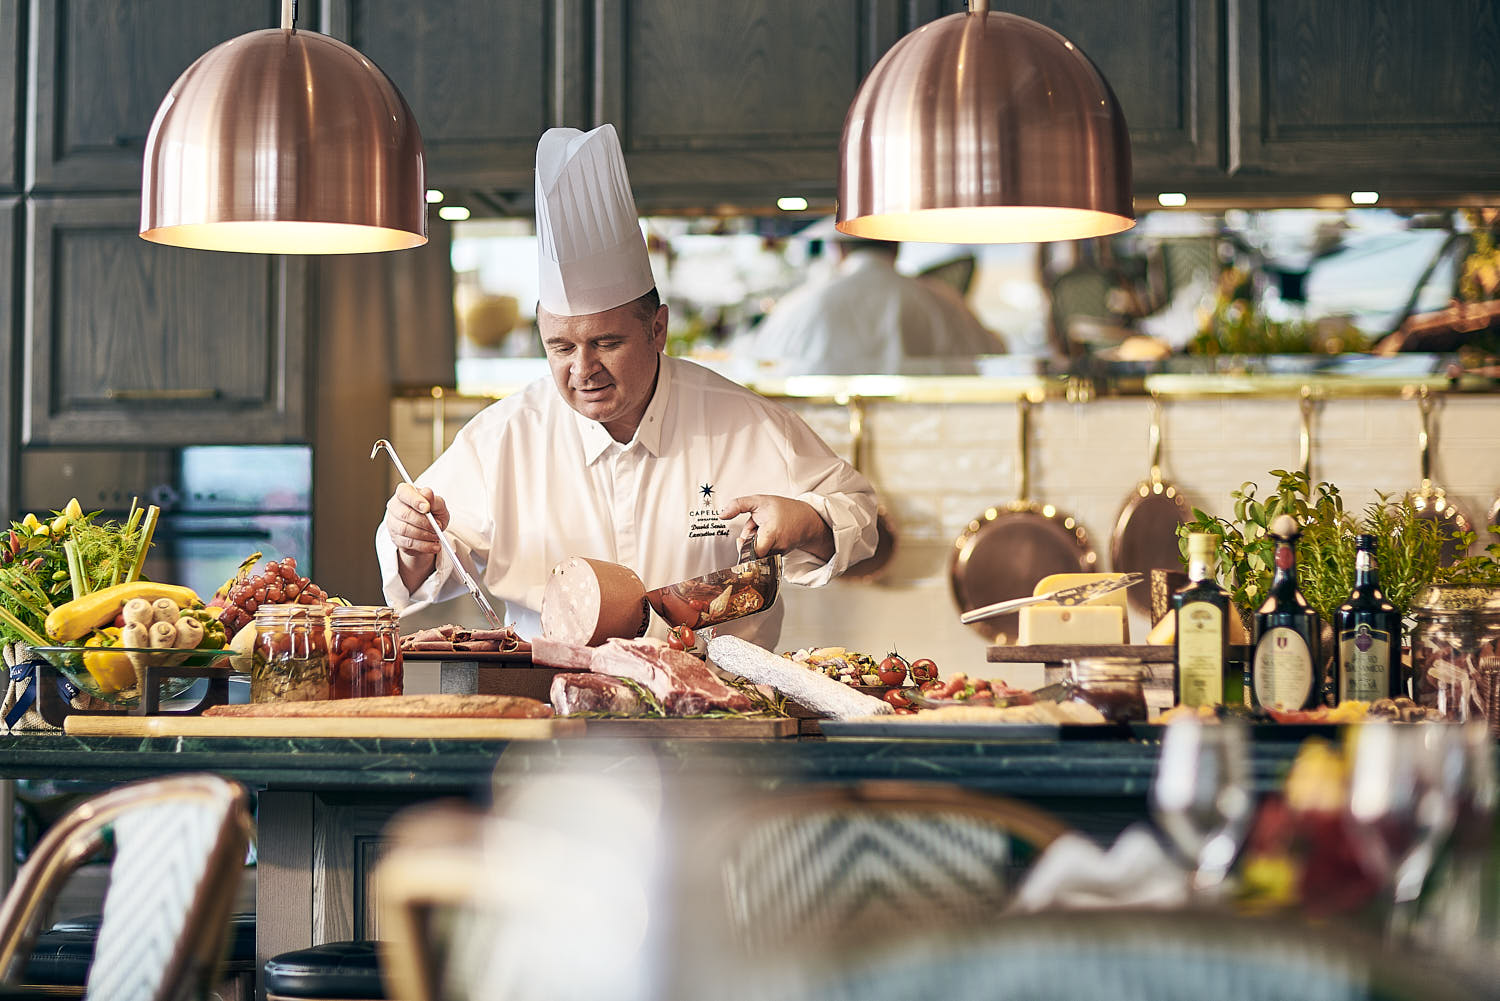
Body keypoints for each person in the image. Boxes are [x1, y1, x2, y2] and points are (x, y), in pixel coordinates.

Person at [376, 125, 878, 648]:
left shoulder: (745, 422)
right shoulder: (502, 437)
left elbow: (860, 514)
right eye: (561, 348)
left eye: (606, 343)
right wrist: (413, 544)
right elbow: (421, 573)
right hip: (550, 704)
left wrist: (810, 520)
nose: (583, 369)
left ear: (656, 329)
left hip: (716, 708)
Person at [742, 235, 1004, 377]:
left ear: (837, 248)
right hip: (930, 446)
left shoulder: (799, 305)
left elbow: (750, 364)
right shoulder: (946, 303)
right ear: (897, 245)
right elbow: (998, 359)